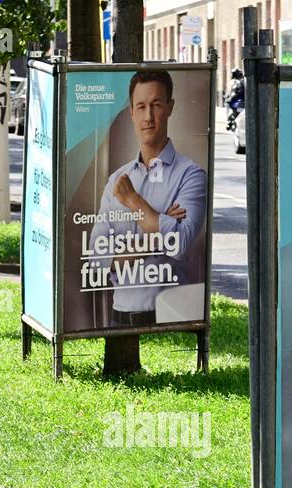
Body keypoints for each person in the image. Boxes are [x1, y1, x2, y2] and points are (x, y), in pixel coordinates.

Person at [87, 69, 208, 327]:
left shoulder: (191, 175)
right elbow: (97, 258)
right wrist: (160, 232)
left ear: (170, 107)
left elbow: (181, 242)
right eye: (141, 107)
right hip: (120, 318)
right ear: (131, 112)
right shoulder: (116, 181)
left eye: (156, 105)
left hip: (171, 320)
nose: (149, 117)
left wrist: (133, 201)